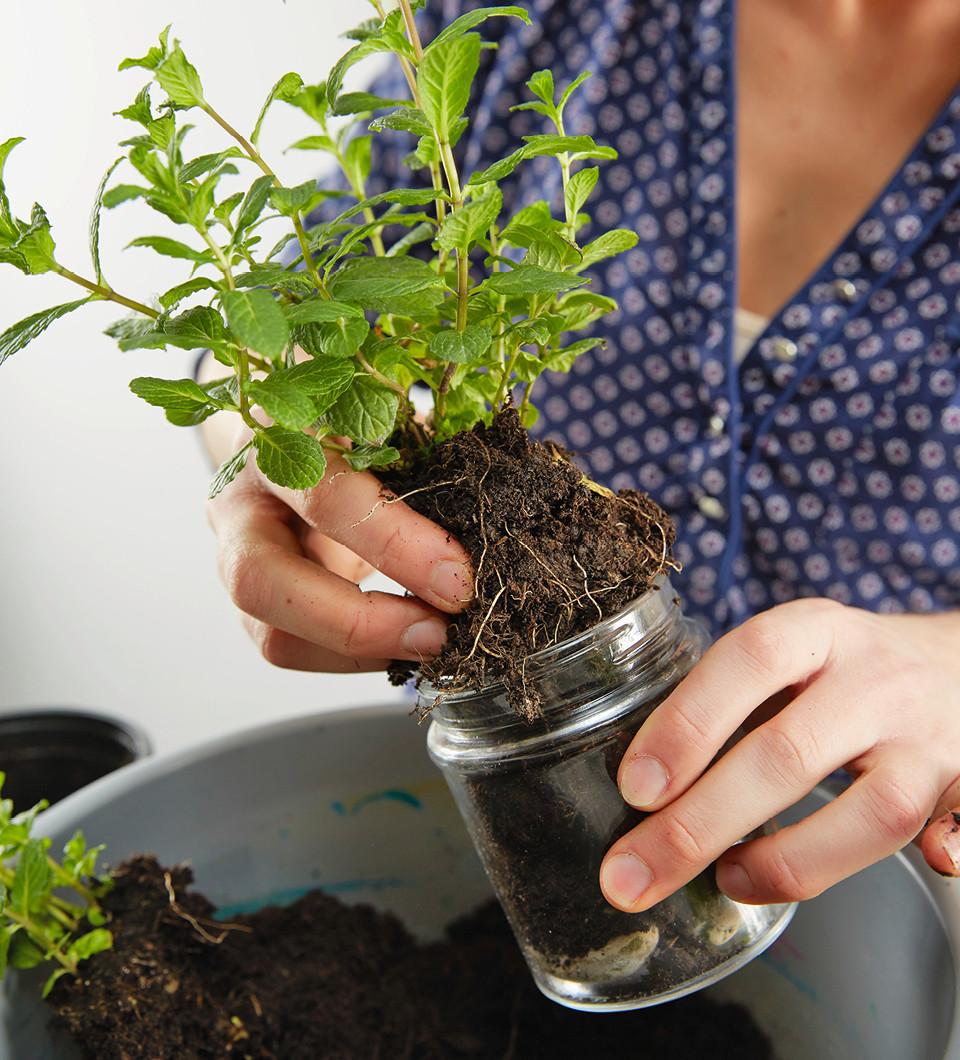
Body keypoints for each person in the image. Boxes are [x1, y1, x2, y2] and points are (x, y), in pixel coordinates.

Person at [201, 0, 960, 912]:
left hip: (892, 880)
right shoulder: (516, 19)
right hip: (530, 818)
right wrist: (265, 434)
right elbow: (295, 290)